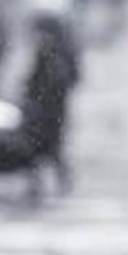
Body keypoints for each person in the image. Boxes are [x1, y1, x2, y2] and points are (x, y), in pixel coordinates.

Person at [22, 15, 80, 196]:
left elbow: (35, 80)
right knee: (47, 148)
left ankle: (48, 183)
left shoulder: (51, 52)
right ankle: (51, 182)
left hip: (48, 109)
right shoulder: (60, 51)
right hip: (53, 109)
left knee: (45, 148)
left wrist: (32, 94)